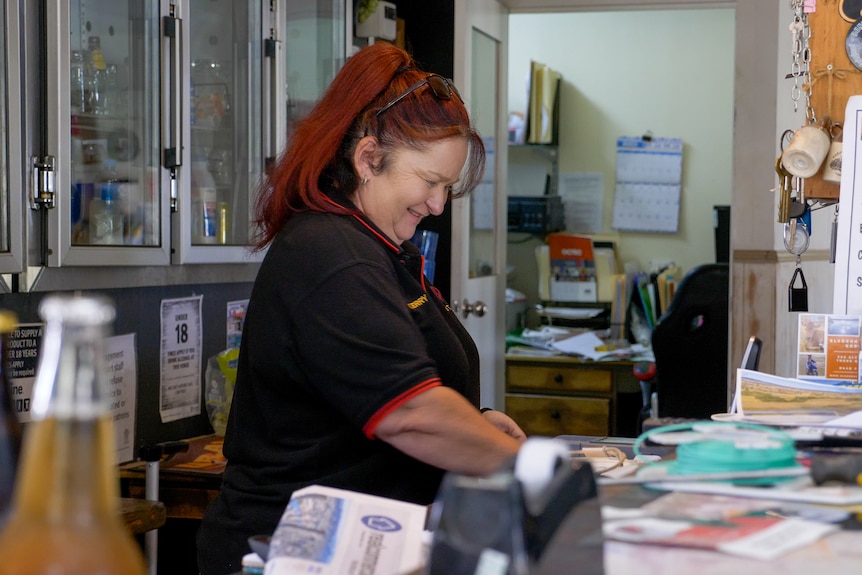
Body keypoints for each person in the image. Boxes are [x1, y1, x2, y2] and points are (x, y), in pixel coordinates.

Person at [196, 42, 526, 575]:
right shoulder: (332, 257)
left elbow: (371, 388)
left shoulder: (377, 251)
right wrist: (534, 473)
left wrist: (476, 424)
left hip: (365, 545)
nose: (438, 205)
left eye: (447, 187)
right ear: (369, 158)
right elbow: (411, 415)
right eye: (429, 182)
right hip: (294, 554)